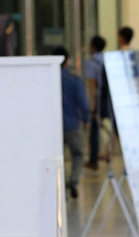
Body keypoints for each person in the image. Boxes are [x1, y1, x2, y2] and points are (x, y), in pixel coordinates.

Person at [54, 47, 89, 199]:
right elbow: (83, 103)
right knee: (78, 154)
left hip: (53, 127)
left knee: (56, 158)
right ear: (66, 60)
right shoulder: (74, 80)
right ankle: (73, 181)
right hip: (72, 125)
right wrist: (86, 119)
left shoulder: (47, 80)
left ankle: (58, 185)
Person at [84, 35, 107, 171]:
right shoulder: (107, 60)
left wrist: (92, 103)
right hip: (110, 99)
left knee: (95, 130)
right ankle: (108, 152)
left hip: (99, 100)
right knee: (115, 130)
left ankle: (93, 160)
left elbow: (92, 85)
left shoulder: (91, 63)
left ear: (93, 46)